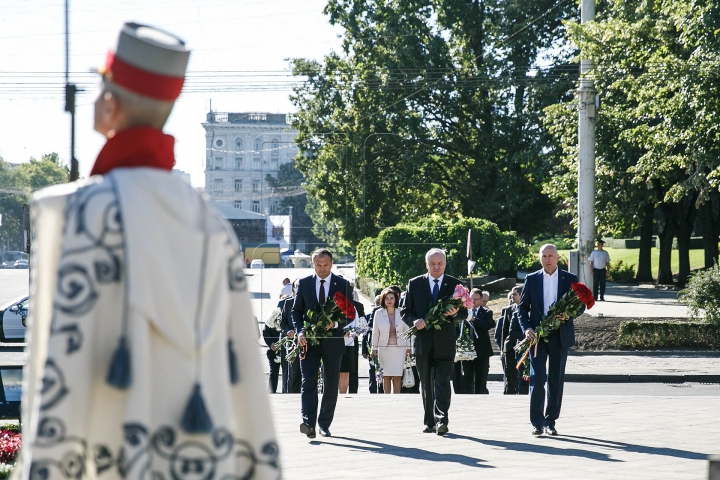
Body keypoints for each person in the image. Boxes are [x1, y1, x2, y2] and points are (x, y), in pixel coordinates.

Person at [19, 22, 278, 479]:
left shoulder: (83, 211)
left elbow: (60, 370)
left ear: (110, 101)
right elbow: (244, 371)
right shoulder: (211, 223)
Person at [401, 248, 467, 436]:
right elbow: (405, 311)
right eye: (433, 263)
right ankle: (428, 421)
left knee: (443, 381)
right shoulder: (415, 284)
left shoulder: (455, 285)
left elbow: (464, 312)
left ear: (445, 264)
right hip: (422, 341)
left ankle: (442, 420)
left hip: (445, 342)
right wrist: (414, 320)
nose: (436, 267)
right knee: (426, 384)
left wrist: (456, 314)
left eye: (440, 263)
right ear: (426, 264)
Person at [518, 244, 582, 436]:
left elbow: (580, 306)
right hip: (537, 336)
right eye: (544, 256)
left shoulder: (569, 279)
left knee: (556, 379)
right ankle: (536, 422)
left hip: (559, 336)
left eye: (551, 256)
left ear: (557, 258)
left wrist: (568, 315)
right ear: (540, 258)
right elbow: (521, 309)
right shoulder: (532, 279)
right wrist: (527, 328)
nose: (547, 259)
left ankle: (550, 421)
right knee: (537, 378)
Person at [292, 248, 354, 438]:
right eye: (318, 265)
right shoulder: (304, 284)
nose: (322, 269)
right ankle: (308, 423)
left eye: (326, 265)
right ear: (313, 264)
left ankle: (324, 424)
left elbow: (349, 314)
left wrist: (335, 323)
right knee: (308, 381)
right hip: (309, 342)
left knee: (330, 383)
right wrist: (300, 331)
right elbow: (296, 312)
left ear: (332, 264)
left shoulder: (342, 284)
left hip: (333, 341)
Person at [371, 287, 411, 394]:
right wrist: (373, 349)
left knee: (397, 376)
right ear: (383, 300)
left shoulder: (402, 312)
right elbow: (375, 332)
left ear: (396, 299)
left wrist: (409, 347)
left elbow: (407, 331)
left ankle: (397, 399)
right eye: (387, 298)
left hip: (399, 349)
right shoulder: (378, 313)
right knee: (386, 376)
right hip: (383, 349)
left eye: (391, 298)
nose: (389, 300)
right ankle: (387, 399)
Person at [495, 286, 522, 394]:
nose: (512, 296)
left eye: (515, 294)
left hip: (524, 347)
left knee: (522, 375)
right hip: (510, 348)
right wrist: (503, 349)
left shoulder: (528, 308)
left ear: (521, 295)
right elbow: (504, 331)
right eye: (511, 294)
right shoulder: (507, 310)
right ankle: (510, 394)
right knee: (510, 375)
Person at [468, 289, 495, 394]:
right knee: (467, 377)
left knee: (481, 377)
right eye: (471, 299)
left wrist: (474, 319)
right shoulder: (464, 311)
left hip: (482, 351)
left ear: (480, 300)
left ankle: (480, 396)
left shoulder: (486, 312)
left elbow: (488, 325)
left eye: (476, 299)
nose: (473, 301)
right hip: (466, 350)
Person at [362, 295, 384, 393]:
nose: (379, 305)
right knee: (372, 368)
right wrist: (364, 350)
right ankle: (373, 389)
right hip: (373, 345)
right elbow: (365, 334)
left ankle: (382, 389)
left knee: (383, 368)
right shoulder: (371, 314)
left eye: (380, 302)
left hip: (384, 345)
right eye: (378, 303)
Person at [508, 310, 530, 394]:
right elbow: (512, 332)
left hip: (537, 348)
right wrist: (527, 336)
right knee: (522, 377)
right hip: (522, 349)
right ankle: (523, 396)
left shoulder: (539, 312)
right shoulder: (517, 314)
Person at [262, 322, 282, 393]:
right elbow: (265, 332)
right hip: (272, 350)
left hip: (286, 348)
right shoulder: (271, 316)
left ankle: (287, 391)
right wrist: (271, 343)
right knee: (273, 371)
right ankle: (271, 391)